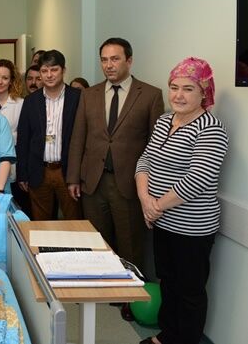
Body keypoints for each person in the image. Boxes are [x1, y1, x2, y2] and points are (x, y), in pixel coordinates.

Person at [135, 58, 228, 344]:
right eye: (174, 87)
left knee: (189, 291)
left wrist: (155, 206)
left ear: (204, 92)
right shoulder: (164, 121)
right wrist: (145, 199)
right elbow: (145, 161)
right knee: (168, 282)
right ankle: (168, 335)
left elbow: (196, 180)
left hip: (192, 228)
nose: (178, 95)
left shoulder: (211, 129)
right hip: (163, 222)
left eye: (188, 89)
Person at [67, 37, 164, 271]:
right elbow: (78, 137)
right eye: (104, 60)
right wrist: (73, 178)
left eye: (115, 59)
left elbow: (156, 145)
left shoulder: (150, 95)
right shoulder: (89, 94)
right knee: (97, 244)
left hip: (129, 185)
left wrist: (151, 187)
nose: (108, 65)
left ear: (129, 61)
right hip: (93, 184)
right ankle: (101, 284)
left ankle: (132, 292)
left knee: (130, 246)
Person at [17, 50, 82, 220]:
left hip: (67, 171)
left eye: (54, 70)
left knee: (74, 220)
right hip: (39, 170)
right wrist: (22, 172)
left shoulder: (78, 98)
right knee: (41, 222)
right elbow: (24, 139)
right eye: (44, 71)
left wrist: (78, 175)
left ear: (63, 70)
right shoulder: (31, 101)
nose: (49, 75)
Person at [0, 59, 26, 205]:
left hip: (14, 158)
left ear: (11, 81)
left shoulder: (21, 104)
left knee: (15, 201)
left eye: (5, 78)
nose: (0, 82)